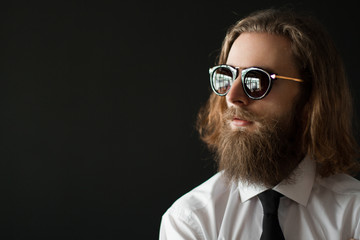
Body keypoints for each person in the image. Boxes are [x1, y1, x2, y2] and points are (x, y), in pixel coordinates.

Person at [159, 8, 360, 240]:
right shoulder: (191, 221)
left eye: (256, 81)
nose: (233, 97)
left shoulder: (353, 214)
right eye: (227, 75)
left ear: (310, 99)